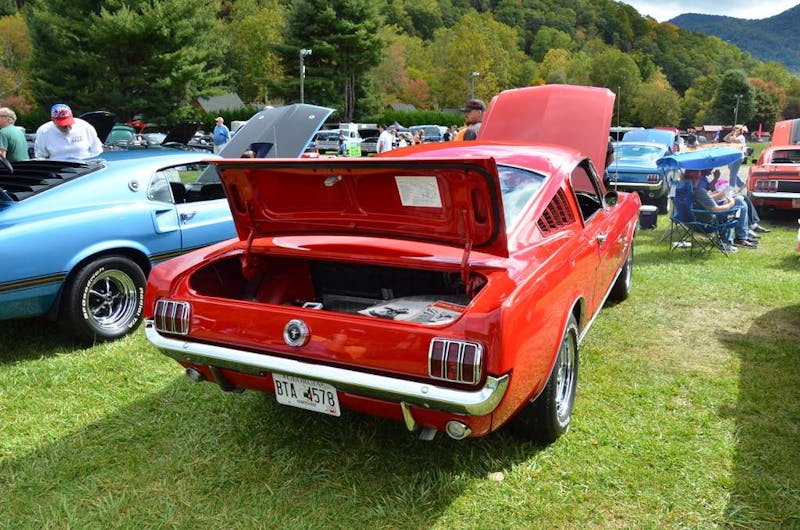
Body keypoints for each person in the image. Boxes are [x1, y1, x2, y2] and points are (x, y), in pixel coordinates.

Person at [686, 169, 757, 249]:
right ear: (697, 177)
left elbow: (701, 199)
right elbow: (716, 209)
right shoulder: (699, 191)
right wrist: (731, 203)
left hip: (694, 219)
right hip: (708, 222)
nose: (711, 171)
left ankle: (742, 237)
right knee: (740, 202)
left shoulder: (685, 190)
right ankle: (733, 240)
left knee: (740, 200)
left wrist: (712, 195)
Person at [34, 104, 103, 160]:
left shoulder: (85, 126)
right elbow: (41, 156)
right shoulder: (43, 131)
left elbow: (97, 151)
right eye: (63, 125)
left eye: (69, 123)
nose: (67, 128)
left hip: (86, 167)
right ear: (53, 120)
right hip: (58, 170)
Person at [723, 124, 747, 189]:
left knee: (732, 174)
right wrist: (731, 133)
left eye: (736, 128)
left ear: (740, 130)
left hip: (738, 157)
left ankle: (731, 188)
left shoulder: (741, 137)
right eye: (734, 128)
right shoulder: (734, 136)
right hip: (733, 157)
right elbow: (725, 138)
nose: (734, 130)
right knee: (733, 172)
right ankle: (741, 184)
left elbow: (734, 140)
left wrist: (735, 134)